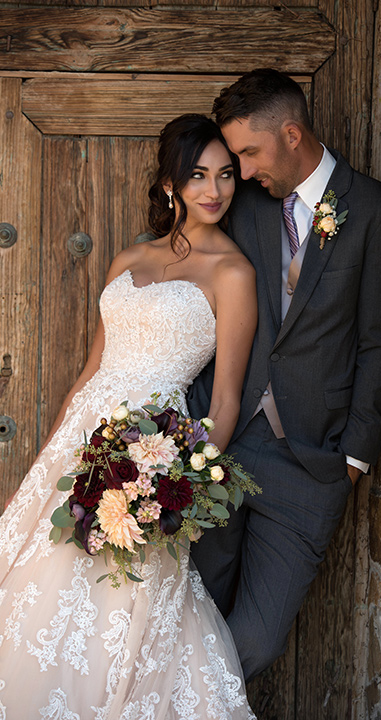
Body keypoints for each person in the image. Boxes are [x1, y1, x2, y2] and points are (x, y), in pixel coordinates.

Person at [0, 114, 258, 718]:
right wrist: (50, 457)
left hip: (151, 451)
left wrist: (176, 486)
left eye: (224, 175)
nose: (213, 191)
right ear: (171, 184)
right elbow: (91, 371)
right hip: (82, 444)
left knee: (118, 602)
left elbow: (223, 402)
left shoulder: (234, 273)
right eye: (197, 176)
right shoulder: (129, 256)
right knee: (37, 580)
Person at [189, 69, 381, 682]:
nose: (244, 170)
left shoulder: (372, 211)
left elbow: (376, 339)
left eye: (249, 153)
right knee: (182, 615)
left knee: (253, 643)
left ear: (291, 133)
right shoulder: (248, 206)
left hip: (311, 463)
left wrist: (355, 457)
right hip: (221, 447)